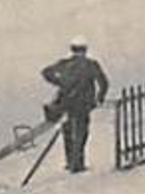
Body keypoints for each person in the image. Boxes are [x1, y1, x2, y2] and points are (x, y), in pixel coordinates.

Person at [41, 36, 109, 174]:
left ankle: (70, 161)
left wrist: (60, 82)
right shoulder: (91, 65)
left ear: (72, 49)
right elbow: (103, 82)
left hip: (67, 103)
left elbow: (46, 72)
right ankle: (78, 163)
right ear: (85, 50)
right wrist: (99, 98)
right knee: (81, 132)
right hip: (83, 104)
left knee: (68, 131)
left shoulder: (65, 64)